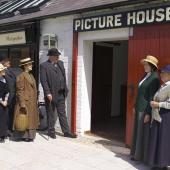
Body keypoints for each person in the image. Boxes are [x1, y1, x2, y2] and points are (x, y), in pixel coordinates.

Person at [40, 48, 77, 139]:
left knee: (62, 113)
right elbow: (43, 81)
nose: (58, 57)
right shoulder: (44, 66)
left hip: (61, 93)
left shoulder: (60, 63)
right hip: (51, 94)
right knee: (51, 113)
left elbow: (63, 77)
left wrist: (65, 88)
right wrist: (47, 93)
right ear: (51, 56)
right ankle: (51, 131)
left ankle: (66, 131)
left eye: (58, 55)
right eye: (56, 55)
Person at [130, 55, 160, 163]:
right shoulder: (145, 76)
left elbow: (152, 97)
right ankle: (135, 154)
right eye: (144, 64)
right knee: (137, 131)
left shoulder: (155, 78)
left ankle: (141, 157)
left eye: (147, 64)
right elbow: (140, 93)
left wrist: (148, 113)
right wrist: (134, 106)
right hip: (139, 107)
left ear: (152, 66)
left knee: (143, 133)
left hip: (145, 109)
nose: (145, 66)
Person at [148, 65, 170, 170]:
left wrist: (158, 104)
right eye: (161, 73)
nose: (162, 75)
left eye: (164, 73)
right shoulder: (163, 86)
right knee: (156, 139)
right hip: (158, 116)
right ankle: (157, 164)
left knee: (163, 140)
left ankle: (163, 165)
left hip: (165, 117)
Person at [13, 58, 39, 142]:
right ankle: (23, 136)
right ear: (25, 66)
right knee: (23, 119)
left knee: (31, 120)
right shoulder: (21, 76)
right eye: (30, 64)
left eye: (31, 64)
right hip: (25, 101)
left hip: (31, 101)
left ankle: (30, 136)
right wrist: (22, 102)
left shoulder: (31, 75)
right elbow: (19, 90)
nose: (31, 65)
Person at [0, 56, 22, 134]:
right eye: (7, 61)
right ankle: (6, 130)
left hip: (12, 96)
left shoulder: (9, 70)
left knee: (11, 113)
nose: (9, 62)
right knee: (6, 115)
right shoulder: (2, 72)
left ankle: (9, 129)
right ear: (2, 62)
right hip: (6, 97)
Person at [0, 63, 9, 143]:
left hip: (4, 102)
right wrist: (2, 101)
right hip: (0, 102)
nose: (4, 71)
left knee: (4, 119)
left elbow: (7, 91)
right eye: (2, 70)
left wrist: (5, 100)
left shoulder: (4, 79)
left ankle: (3, 134)